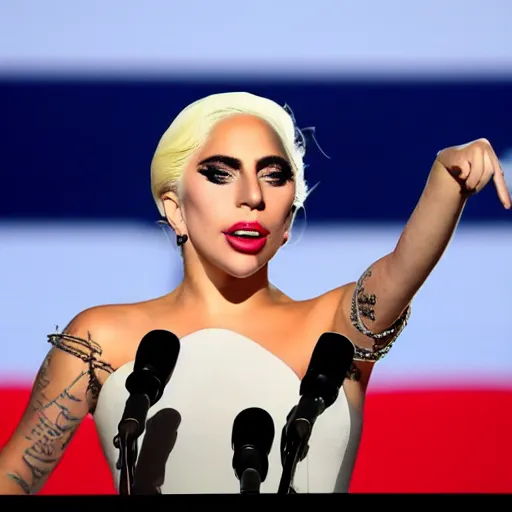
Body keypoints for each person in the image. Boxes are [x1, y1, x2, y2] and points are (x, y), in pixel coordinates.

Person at [0, 92, 509, 495]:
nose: (252, 196)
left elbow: (401, 270)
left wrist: (447, 183)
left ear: (287, 218)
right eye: (221, 174)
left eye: (274, 175)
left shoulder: (333, 327)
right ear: (174, 208)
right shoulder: (98, 338)